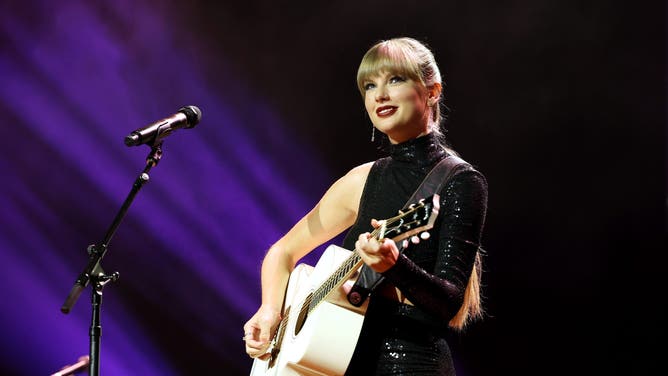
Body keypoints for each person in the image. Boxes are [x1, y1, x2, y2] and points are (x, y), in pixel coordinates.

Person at [244, 37, 488, 375]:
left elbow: (447, 302)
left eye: (396, 79)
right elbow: (282, 252)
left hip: (411, 364)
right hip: (338, 366)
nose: (380, 94)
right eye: (370, 86)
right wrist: (270, 312)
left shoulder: (459, 181)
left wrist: (395, 265)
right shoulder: (361, 180)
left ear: (432, 91)